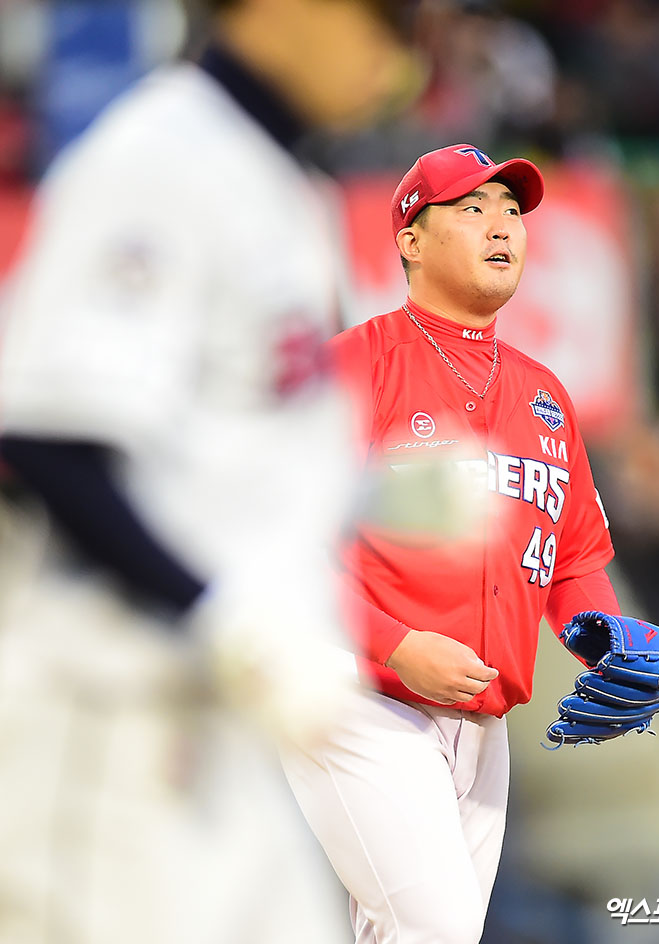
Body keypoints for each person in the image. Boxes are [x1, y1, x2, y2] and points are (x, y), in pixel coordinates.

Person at [0, 2, 416, 944]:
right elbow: (54, 446)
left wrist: (390, 494)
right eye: (388, 16)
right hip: (107, 730)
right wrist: (227, 620)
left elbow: (231, 468)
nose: (400, 54)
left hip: (223, 735)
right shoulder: (157, 159)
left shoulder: (279, 182)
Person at [280, 143, 623, 944]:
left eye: (511, 212)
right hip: (360, 692)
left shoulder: (544, 392)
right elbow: (280, 542)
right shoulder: (356, 365)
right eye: (472, 209)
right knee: (438, 931)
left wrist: (612, 651)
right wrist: (395, 644)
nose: (502, 226)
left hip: (482, 719)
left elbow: (573, 558)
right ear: (410, 239)